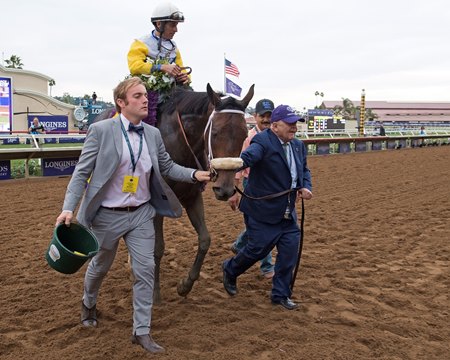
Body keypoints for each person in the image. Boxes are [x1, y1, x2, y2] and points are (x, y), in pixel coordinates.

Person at [55, 77, 211, 354]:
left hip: (141, 214)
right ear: (121, 103)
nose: (144, 100)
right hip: (106, 216)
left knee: (145, 271)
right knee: (100, 267)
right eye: (137, 96)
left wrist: (194, 174)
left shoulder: (152, 134)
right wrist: (68, 207)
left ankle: (142, 331)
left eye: (145, 96)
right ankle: (89, 302)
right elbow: (81, 173)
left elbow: (168, 166)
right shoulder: (100, 130)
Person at [222, 104, 313, 310]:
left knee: (289, 254)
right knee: (256, 249)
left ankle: (280, 295)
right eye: (289, 124)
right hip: (261, 210)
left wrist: (305, 187)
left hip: (288, 213)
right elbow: (250, 156)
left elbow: (304, 171)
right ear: (274, 125)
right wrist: (235, 164)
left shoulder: (298, 146)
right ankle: (230, 269)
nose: (294, 127)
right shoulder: (262, 141)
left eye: (295, 123)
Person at [228, 99, 276, 279]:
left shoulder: (276, 135)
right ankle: (267, 266)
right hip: (252, 185)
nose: (266, 119)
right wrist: (234, 191)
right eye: (262, 115)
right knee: (263, 226)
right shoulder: (249, 138)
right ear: (255, 116)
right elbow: (240, 165)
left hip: (271, 185)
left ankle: (240, 244)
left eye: (269, 116)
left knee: (262, 224)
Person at [127, 2, 190, 126]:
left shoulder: (174, 47)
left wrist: (184, 77)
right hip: (146, 89)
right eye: (172, 25)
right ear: (159, 24)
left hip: (171, 90)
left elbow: (181, 68)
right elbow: (134, 66)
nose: (176, 30)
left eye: (176, 25)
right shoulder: (141, 43)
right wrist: (161, 67)